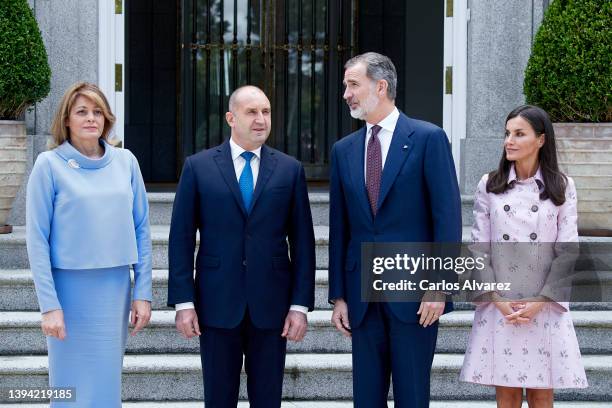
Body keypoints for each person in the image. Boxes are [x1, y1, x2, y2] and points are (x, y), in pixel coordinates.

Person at [167, 85, 316, 408]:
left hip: (272, 307)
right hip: (216, 303)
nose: (261, 119)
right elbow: (180, 239)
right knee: (218, 400)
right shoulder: (198, 167)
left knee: (268, 400)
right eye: (252, 112)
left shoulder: (290, 170)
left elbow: (303, 242)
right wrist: (183, 302)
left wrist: (300, 305)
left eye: (266, 112)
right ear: (231, 118)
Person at [328, 52, 462, 407]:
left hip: (416, 297)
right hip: (362, 298)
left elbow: (447, 220)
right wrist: (339, 295)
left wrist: (439, 287)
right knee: (366, 399)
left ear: (381, 86)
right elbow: (340, 228)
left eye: (353, 84)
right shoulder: (343, 151)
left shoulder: (428, 138)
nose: (346, 94)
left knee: (412, 397)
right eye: (346, 86)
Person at [26, 82, 152, 407]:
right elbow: (37, 240)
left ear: (107, 119)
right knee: (68, 384)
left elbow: (141, 230)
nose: (91, 118)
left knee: (106, 382)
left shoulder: (126, 162)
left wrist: (143, 293)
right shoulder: (48, 165)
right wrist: (49, 306)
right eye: (82, 111)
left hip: (114, 289)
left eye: (97, 111)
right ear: (66, 119)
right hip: (68, 290)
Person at [459, 104, 588, 407]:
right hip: (501, 303)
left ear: (541, 140)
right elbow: (479, 247)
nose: (509, 141)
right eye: (507, 134)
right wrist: (498, 300)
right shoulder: (489, 185)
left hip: (543, 303)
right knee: (506, 394)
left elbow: (568, 249)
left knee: (542, 394)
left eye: (519, 134)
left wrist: (541, 301)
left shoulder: (562, 186)